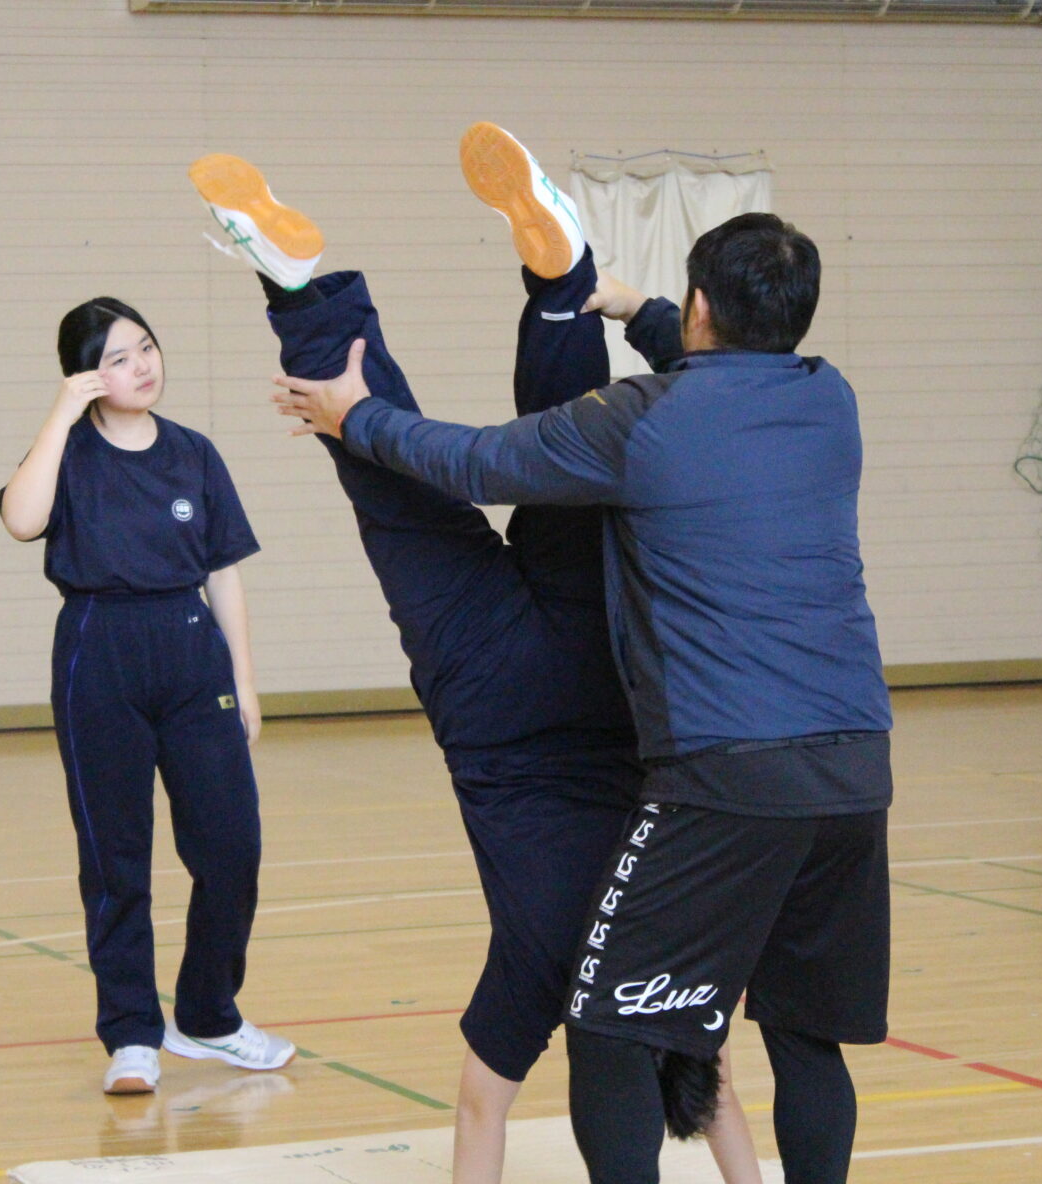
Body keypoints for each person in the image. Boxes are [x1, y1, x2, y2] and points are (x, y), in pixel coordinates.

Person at [276, 124, 893, 1184]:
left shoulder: (646, 422)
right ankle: (465, 285)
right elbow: (709, 370)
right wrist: (626, 307)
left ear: (703, 309)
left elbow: (471, 462)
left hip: (724, 768)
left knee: (609, 1023)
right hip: (852, 771)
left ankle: (406, 291)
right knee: (804, 1036)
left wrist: (355, 416)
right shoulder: (829, 401)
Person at [189, 145, 763, 1184]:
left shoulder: (674, 958)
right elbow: (477, 1110)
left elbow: (722, 1099)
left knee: (563, 451)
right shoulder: (544, 975)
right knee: (390, 489)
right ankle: (297, 289)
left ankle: (559, 287)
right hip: (488, 699)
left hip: (599, 672)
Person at [0, 297, 294, 1097]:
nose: (143, 365)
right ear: (89, 373)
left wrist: (245, 680)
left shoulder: (194, 454)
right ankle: (131, 1031)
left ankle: (207, 1015)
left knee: (232, 847)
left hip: (192, 651)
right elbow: (21, 521)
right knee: (115, 856)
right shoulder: (66, 452)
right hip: (99, 649)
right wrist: (61, 414)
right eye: (121, 357)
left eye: (147, 348)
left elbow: (224, 569)